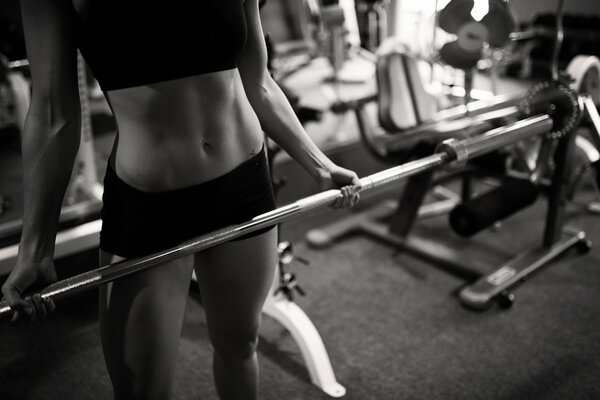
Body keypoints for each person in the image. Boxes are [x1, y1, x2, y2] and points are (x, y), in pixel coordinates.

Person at [0, 0, 361, 399]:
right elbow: (53, 114)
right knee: (141, 390)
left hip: (244, 185)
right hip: (149, 206)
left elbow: (258, 81)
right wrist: (35, 248)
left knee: (241, 345)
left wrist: (319, 164)